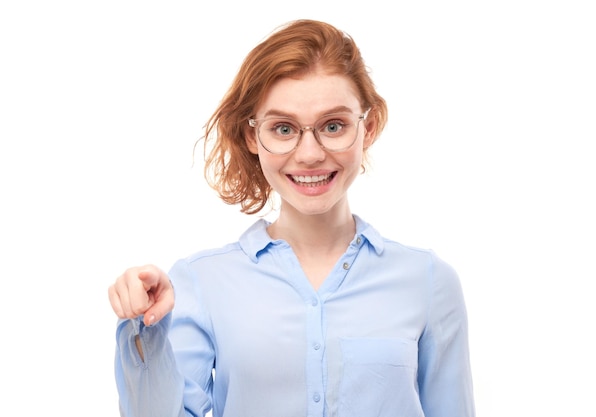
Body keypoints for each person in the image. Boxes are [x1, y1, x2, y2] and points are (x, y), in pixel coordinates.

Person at [108, 19, 475, 417]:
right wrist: (144, 329)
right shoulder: (200, 284)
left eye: (333, 126)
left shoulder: (429, 281)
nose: (310, 154)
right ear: (253, 137)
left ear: (367, 128)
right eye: (283, 129)